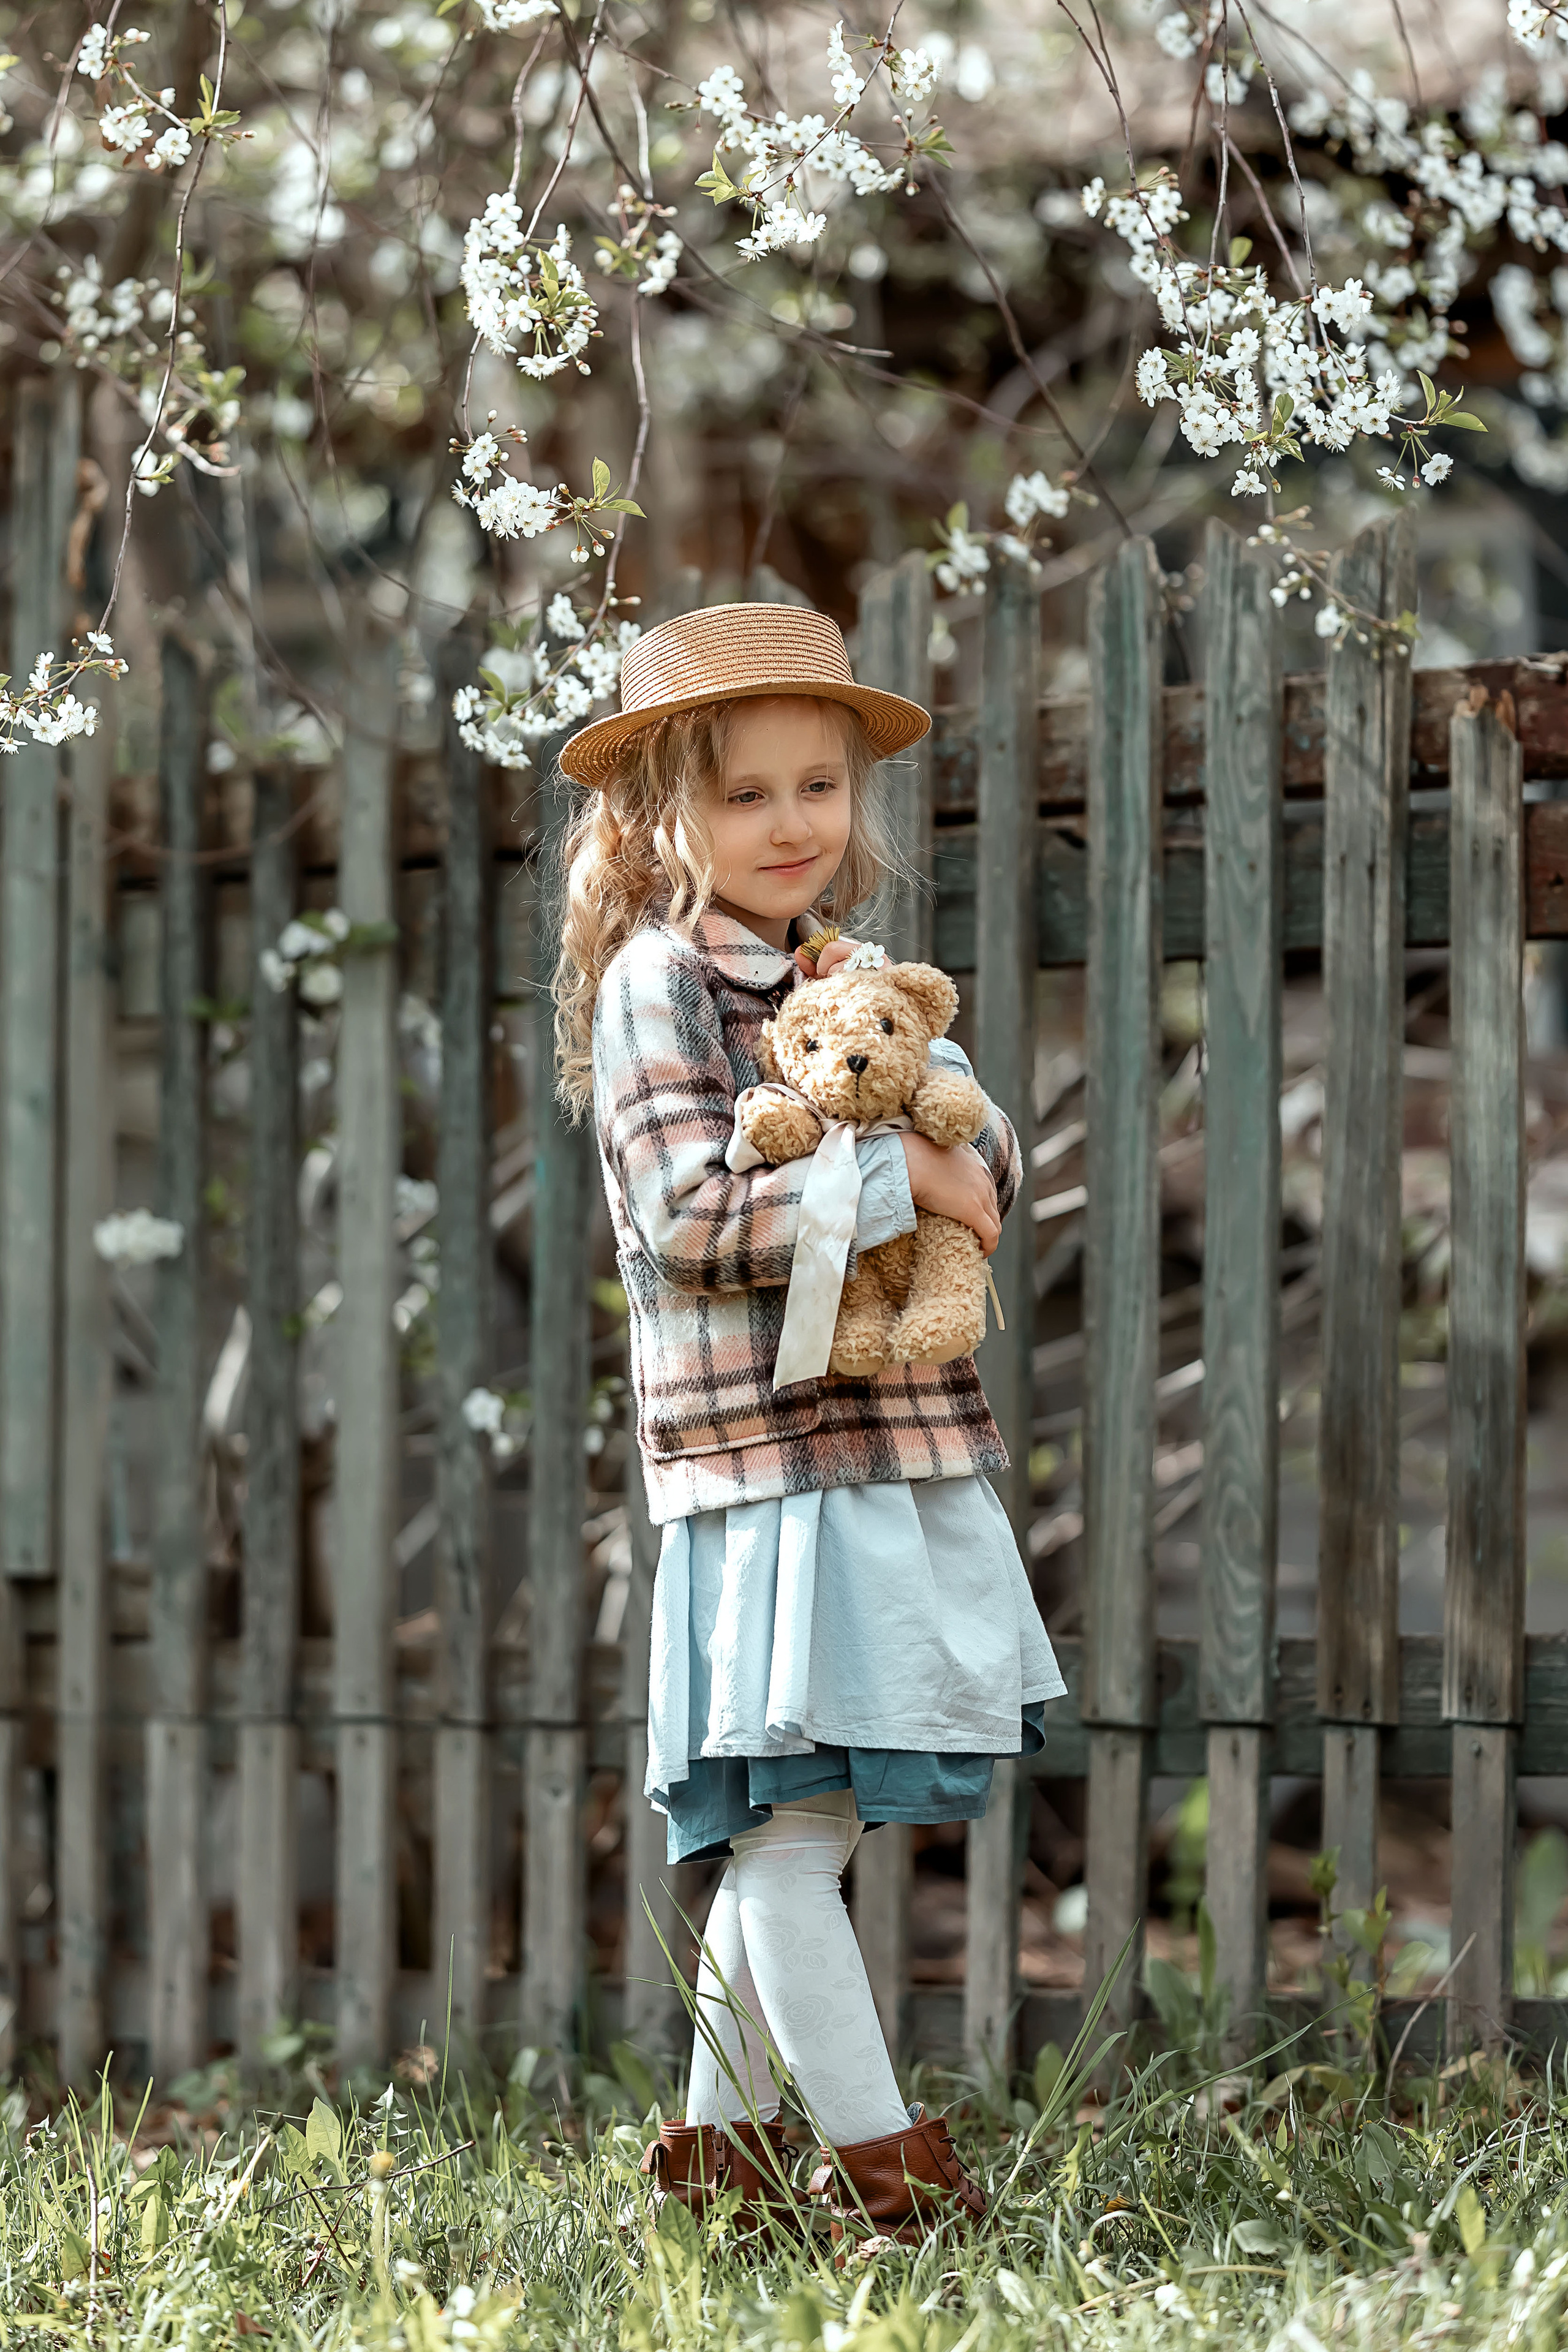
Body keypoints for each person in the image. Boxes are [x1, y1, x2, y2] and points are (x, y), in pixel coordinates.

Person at [551, 601, 1064, 2244]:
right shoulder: (661, 987)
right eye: (751, 792)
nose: (794, 825)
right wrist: (899, 1173)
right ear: (658, 817)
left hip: (893, 1445)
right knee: (787, 1829)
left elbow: (976, 1167)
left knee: (808, 1821)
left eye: (820, 787)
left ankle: (722, 2172)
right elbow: (688, 1219)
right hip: (766, 1465)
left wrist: (946, 1164)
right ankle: (894, 2178)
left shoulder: (846, 978)